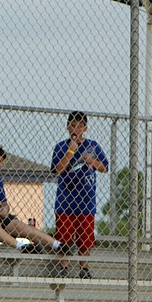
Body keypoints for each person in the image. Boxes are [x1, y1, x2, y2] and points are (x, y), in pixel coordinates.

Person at [0, 142, 73, 261]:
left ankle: (57, 245)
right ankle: (20, 246)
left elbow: (3, 202)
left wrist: (4, 209)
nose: (1, 165)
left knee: (17, 224)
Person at [51, 111, 109, 278]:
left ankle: (84, 267)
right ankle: (64, 267)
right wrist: (70, 151)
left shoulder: (93, 146)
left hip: (86, 200)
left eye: (79, 126)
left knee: (85, 239)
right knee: (64, 237)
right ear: (68, 126)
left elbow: (104, 167)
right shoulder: (61, 147)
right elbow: (58, 169)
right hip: (65, 200)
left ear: (85, 128)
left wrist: (92, 161)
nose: (76, 129)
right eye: (73, 125)